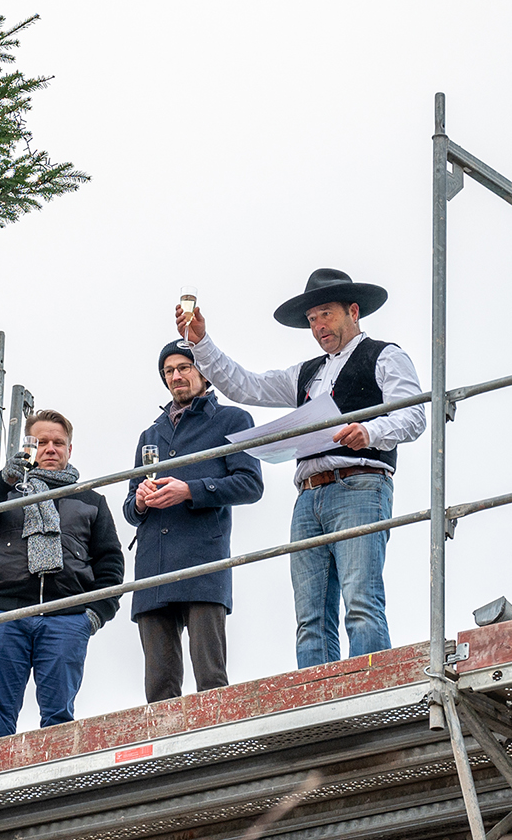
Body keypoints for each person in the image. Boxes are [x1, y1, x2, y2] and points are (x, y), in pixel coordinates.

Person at [177, 268, 426, 669]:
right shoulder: (307, 372)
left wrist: (371, 431)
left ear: (353, 311)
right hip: (308, 494)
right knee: (310, 616)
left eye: (325, 314)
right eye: (312, 320)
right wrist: (201, 343)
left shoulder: (385, 355)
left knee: (361, 602)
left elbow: (413, 414)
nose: (318, 326)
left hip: (359, 484)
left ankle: (370, 688)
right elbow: (245, 385)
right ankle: (320, 699)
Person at [0, 410, 125, 740]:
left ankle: (54, 786)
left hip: (67, 618)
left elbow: (110, 564)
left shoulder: (91, 501)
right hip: (6, 614)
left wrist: (93, 616)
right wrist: (1, 481)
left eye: (58, 443)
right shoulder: (5, 492)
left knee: (59, 716)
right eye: (43, 442)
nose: (50, 449)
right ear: (30, 447)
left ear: (69, 450)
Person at [124, 342, 265, 701]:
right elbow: (128, 508)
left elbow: (251, 484)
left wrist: (190, 490)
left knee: (211, 680)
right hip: (153, 565)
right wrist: (139, 501)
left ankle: (218, 753)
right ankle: (164, 757)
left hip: (203, 560)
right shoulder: (149, 435)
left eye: (184, 367)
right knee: (158, 687)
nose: (176, 376)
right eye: (169, 371)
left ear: (204, 372)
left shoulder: (233, 420)